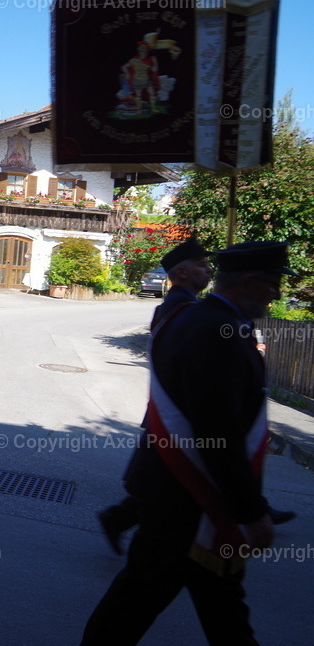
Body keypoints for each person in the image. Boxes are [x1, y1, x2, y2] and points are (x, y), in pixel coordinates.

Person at [80, 241, 296, 646]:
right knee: (142, 608)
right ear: (248, 281)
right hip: (190, 503)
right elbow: (218, 435)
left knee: (195, 609)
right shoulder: (218, 331)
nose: (277, 293)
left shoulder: (198, 318)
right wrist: (252, 512)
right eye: (271, 283)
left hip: (178, 498)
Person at [98, 239, 293, 555]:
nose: (208, 270)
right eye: (202, 265)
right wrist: (251, 510)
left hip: (179, 431)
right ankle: (118, 517)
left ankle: (119, 517)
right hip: (180, 432)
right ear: (183, 272)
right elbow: (215, 423)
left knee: (150, 583)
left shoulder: (194, 310)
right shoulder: (188, 311)